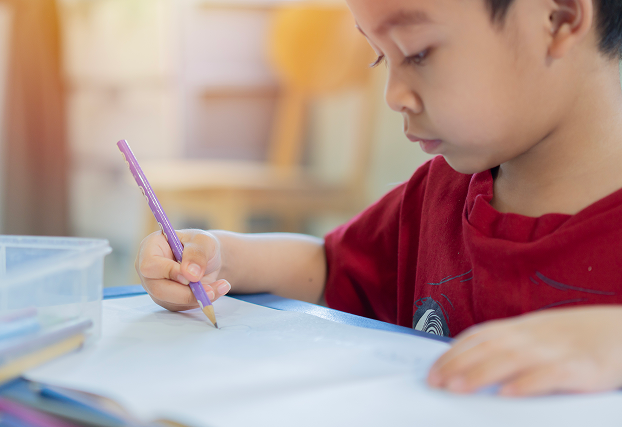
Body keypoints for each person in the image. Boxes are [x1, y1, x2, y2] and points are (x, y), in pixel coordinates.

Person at [135, 0, 622, 396]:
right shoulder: (437, 196)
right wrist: (223, 257)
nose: (392, 94)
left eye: (418, 51)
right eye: (379, 57)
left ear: (558, 19)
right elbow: (329, 268)